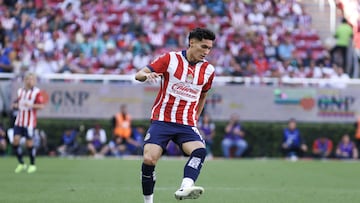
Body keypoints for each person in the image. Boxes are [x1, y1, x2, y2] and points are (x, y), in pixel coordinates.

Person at [135, 27, 216, 202]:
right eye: (203, 47)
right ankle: (148, 201)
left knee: (200, 151)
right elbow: (139, 74)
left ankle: (186, 186)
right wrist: (146, 76)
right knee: (149, 159)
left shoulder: (208, 70)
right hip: (162, 120)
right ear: (192, 42)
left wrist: (195, 118)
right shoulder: (170, 59)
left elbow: (203, 95)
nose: (206, 52)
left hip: (186, 123)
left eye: (209, 48)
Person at [12, 72, 45, 173]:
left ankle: (32, 164)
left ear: (34, 81)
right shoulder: (20, 91)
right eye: (28, 79)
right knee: (15, 141)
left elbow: (41, 106)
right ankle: (21, 163)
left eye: (31, 79)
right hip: (19, 120)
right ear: (24, 80)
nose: (29, 81)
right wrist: (15, 105)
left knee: (29, 143)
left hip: (29, 122)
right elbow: (16, 102)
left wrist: (30, 105)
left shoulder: (36, 92)